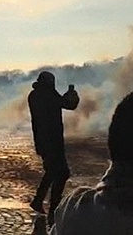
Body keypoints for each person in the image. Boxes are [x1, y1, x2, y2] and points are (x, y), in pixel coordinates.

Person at [49, 91, 133, 234]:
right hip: (50, 140)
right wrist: (72, 98)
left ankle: (44, 205)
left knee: (57, 173)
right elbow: (67, 104)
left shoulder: (73, 212)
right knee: (59, 172)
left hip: (48, 140)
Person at [28, 71, 79, 227]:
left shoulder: (36, 95)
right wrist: (73, 94)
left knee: (52, 171)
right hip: (52, 140)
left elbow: (59, 102)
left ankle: (39, 201)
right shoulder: (46, 95)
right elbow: (68, 104)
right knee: (62, 172)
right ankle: (53, 209)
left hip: (44, 141)